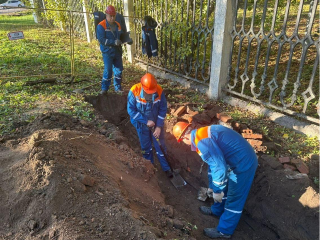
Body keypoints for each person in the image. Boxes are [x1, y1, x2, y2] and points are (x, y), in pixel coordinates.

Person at [172, 122, 258, 239]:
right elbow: (213, 167)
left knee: (234, 197)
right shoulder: (201, 134)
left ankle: (224, 231)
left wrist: (217, 191)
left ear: (185, 137)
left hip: (243, 163)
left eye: (182, 141)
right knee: (220, 184)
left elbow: (219, 168)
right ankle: (217, 210)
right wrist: (213, 187)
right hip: (234, 159)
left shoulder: (202, 142)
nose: (185, 144)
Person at [127, 73, 173, 177]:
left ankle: (166, 168)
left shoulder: (159, 91)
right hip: (141, 124)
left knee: (160, 146)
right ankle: (150, 167)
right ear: (142, 86)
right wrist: (145, 121)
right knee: (146, 147)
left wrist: (158, 127)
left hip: (156, 123)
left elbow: (162, 109)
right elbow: (131, 110)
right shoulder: (134, 91)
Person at [96, 5, 123, 94]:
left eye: (113, 16)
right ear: (106, 15)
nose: (112, 18)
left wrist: (126, 39)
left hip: (117, 51)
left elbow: (120, 37)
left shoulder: (118, 25)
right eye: (110, 16)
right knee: (108, 70)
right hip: (107, 51)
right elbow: (102, 40)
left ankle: (118, 88)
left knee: (118, 69)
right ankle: (104, 89)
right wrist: (113, 42)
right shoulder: (101, 26)